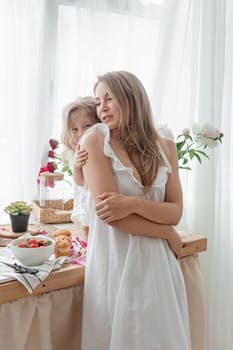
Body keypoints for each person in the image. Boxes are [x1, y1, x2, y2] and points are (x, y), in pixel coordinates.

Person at [79, 71, 191, 349]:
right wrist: (164, 231)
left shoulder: (164, 144)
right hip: (116, 262)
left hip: (159, 267)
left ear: (131, 98)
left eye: (109, 98)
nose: (101, 108)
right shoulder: (95, 141)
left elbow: (175, 211)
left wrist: (134, 204)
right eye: (97, 101)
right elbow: (110, 216)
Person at [60, 96, 99, 242]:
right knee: (86, 217)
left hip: (97, 192)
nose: (80, 133)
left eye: (87, 126)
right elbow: (80, 182)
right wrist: (77, 166)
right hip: (85, 191)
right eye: (74, 129)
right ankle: (86, 235)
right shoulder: (77, 150)